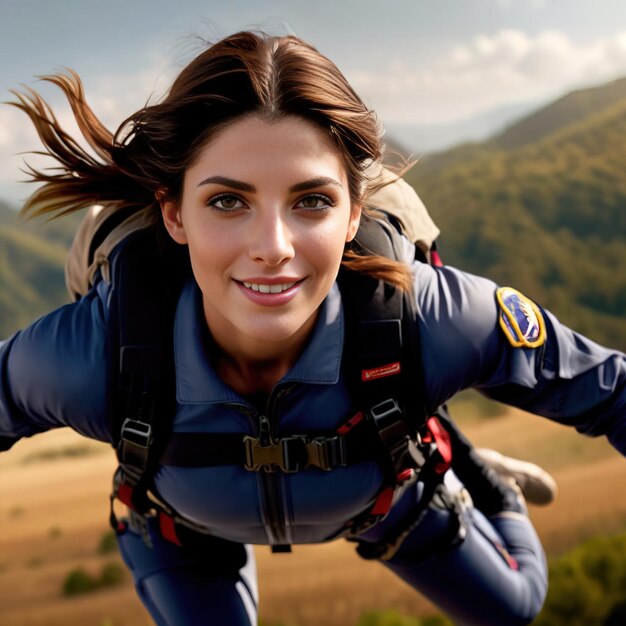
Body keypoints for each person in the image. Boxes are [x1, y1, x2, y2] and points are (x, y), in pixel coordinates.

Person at [1, 31, 623, 626]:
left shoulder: (435, 321)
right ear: (174, 213)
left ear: (356, 213)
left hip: (386, 484)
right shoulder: (95, 354)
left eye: (312, 201)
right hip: (181, 527)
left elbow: (612, 393)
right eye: (226, 201)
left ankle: (466, 464)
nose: (272, 248)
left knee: (515, 607)